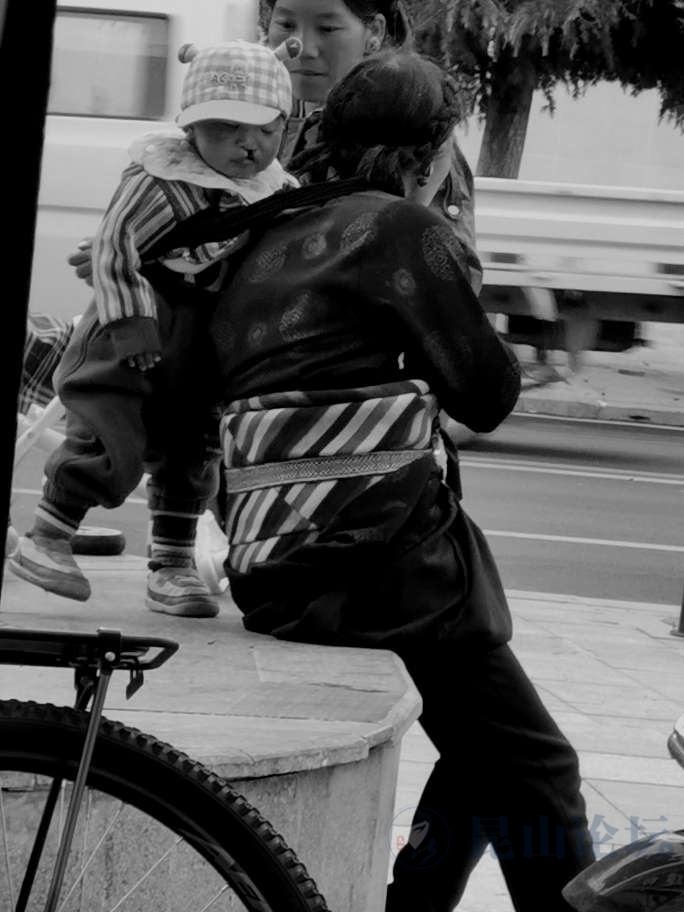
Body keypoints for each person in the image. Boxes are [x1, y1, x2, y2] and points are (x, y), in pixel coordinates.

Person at [199, 51, 595, 911]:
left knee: (480, 748)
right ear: (438, 149)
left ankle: (413, 902)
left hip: (276, 568)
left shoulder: (268, 232)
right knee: (539, 769)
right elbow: (486, 395)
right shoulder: (399, 230)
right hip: (383, 567)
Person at [9, 39, 299, 616]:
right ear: (190, 127)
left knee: (192, 446)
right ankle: (49, 537)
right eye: (227, 128)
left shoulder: (276, 190)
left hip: (201, 340)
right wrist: (131, 321)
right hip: (136, 324)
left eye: (266, 130)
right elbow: (114, 246)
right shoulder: (161, 178)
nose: (249, 145)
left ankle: (171, 566)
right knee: (109, 430)